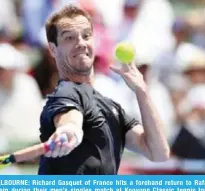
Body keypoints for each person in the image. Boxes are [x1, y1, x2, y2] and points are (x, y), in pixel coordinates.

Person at [37, 5, 169, 175]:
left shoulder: (112, 108)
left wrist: (142, 91)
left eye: (86, 36)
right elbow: (70, 119)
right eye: (69, 38)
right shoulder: (65, 94)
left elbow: (158, 152)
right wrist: (68, 132)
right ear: (53, 49)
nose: (81, 43)